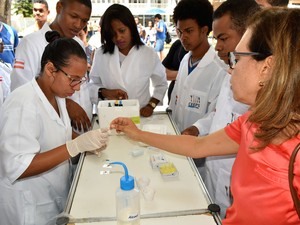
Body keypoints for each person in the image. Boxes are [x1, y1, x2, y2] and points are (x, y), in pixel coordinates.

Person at [111, 8, 300, 225]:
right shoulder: (252, 123)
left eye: (236, 59)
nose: (230, 70)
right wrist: (137, 134)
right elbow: (197, 146)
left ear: (267, 67)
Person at [0, 33, 109, 225]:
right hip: (29, 207)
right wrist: (75, 146)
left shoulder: (57, 96)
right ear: (50, 69)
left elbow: (60, 131)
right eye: (73, 79)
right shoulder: (23, 103)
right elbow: (19, 166)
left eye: (81, 80)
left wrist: (87, 142)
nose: (76, 88)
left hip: (52, 196)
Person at [182, 0, 260, 218]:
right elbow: (220, 114)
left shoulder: (256, 85)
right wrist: (198, 127)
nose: (217, 46)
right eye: (216, 39)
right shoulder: (231, 72)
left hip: (236, 183)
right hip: (215, 172)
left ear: (248, 34)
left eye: (223, 38)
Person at [11, 0, 93, 132]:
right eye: (74, 16)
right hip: (49, 133)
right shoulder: (30, 44)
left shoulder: (78, 43)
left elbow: (83, 86)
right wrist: (66, 104)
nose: (78, 25)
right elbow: (21, 92)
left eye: (84, 21)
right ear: (59, 7)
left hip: (82, 130)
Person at [89, 4, 168, 117]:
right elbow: (92, 85)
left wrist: (151, 105)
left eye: (122, 31)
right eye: (112, 34)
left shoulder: (148, 53)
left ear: (131, 27)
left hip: (139, 116)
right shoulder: (101, 54)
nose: (118, 38)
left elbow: (161, 84)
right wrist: (105, 92)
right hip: (109, 117)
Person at [169, 0, 226, 133]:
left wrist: (197, 129)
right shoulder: (185, 60)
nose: (183, 37)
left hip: (201, 146)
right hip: (179, 140)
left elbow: (217, 114)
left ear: (204, 30)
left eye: (189, 31)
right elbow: (175, 101)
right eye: (180, 31)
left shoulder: (219, 69)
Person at [162, 39, 188, 103]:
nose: (183, 35)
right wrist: (185, 74)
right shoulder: (178, 44)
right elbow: (162, 73)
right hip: (174, 95)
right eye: (179, 30)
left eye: (189, 30)